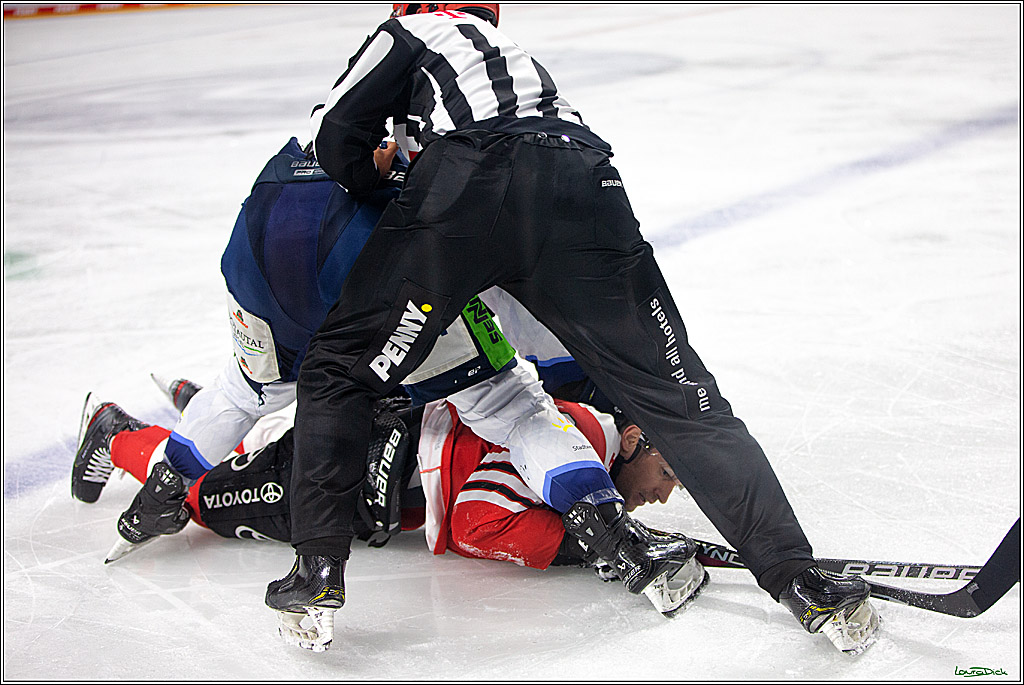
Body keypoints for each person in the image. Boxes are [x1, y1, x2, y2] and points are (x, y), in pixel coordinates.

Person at [278, 1, 878, 656]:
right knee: (683, 403)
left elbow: (337, 136)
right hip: (584, 181)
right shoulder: (519, 67)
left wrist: (381, 174)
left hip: (471, 185)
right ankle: (801, 577)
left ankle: (318, 572)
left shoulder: (414, 28)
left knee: (339, 369)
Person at [71, 135, 703, 603]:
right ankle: (142, 453)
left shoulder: (370, 71)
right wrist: (588, 533)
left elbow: (350, 142)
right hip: (368, 278)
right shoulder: (478, 107)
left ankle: (163, 485)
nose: (667, 489)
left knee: (246, 391)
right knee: (511, 405)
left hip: (262, 249)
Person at [72, 379, 706, 651]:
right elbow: (477, 518)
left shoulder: (590, 440)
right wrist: (585, 547)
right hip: (358, 473)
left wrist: (606, 537)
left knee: (249, 452)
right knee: (197, 503)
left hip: (374, 459)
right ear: (633, 440)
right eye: (668, 473)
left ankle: (217, 410)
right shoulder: (588, 441)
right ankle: (117, 433)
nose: (665, 492)